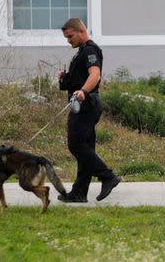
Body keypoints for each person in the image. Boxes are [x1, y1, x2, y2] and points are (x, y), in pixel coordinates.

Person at [56, 18, 120, 202]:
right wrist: (64, 78)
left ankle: (108, 177)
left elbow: (95, 74)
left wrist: (84, 91)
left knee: (75, 145)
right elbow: (78, 78)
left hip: (86, 105)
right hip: (83, 105)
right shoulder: (80, 53)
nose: (68, 40)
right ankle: (79, 192)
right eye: (66, 37)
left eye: (70, 36)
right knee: (86, 147)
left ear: (80, 32)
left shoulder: (90, 50)